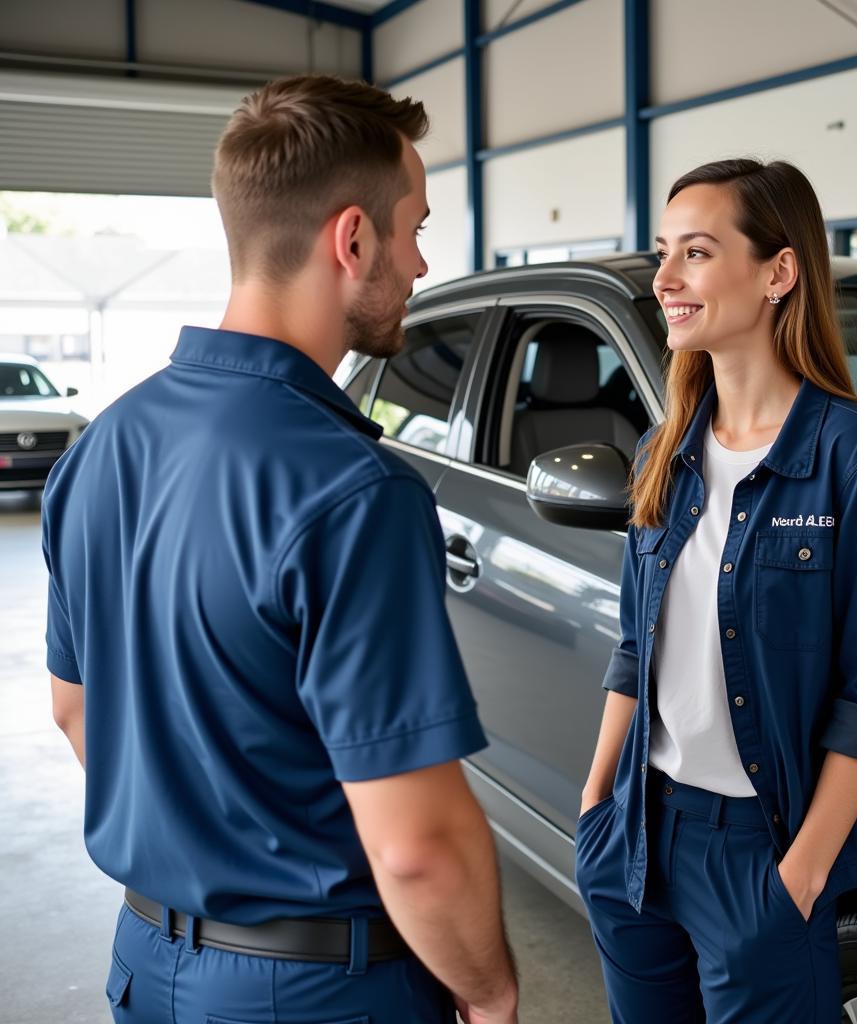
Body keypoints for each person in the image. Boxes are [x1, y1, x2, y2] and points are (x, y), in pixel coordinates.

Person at [43, 75, 518, 1024]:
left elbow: (73, 709)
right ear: (352, 239)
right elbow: (416, 843)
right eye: (414, 228)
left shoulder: (104, 444)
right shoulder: (356, 493)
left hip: (146, 965)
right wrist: (491, 989)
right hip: (316, 991)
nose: (422, 264)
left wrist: (213, 839)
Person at [574, 158, 857, 1023]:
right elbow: (635, 648)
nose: (665, 278)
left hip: (756, 860)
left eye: (695, 252)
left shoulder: (856, 460)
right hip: (637, 835)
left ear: (779, 271)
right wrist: (595, 808)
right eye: (665, 253)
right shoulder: (666, 448)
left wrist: (797, 880)